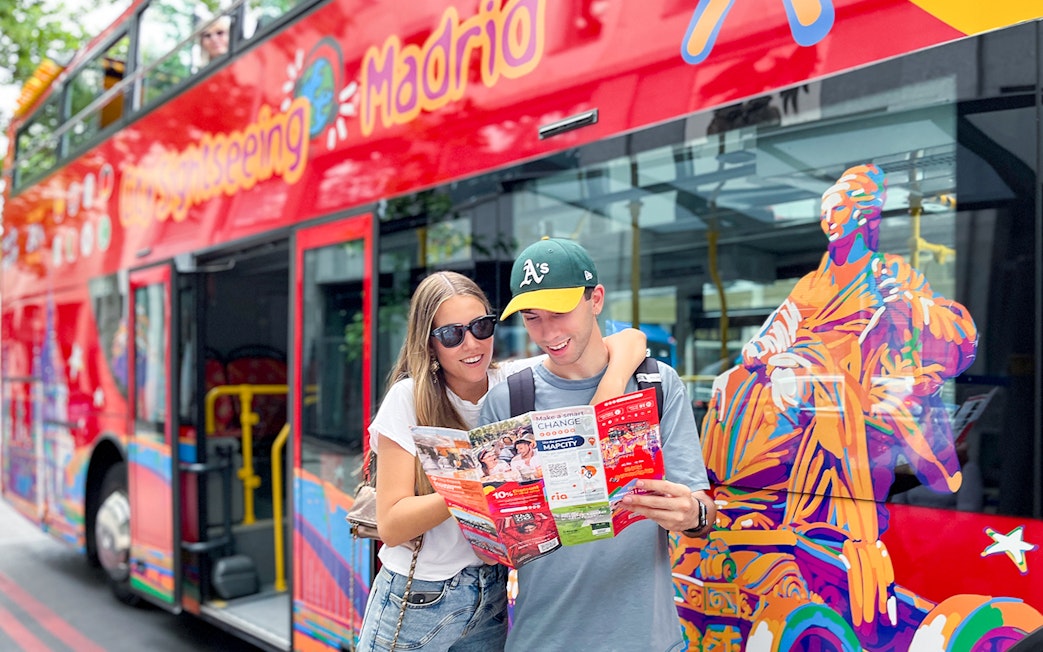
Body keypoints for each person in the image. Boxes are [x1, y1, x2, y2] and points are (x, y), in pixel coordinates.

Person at [356, 270, 648, 651]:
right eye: (451, 334)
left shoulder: (512, 380)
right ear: (429, 345)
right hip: (419, 597)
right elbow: (392, 525)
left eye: (481, 326)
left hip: (491, 591)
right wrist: (480, 483)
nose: (471, 343)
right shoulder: (408, 398)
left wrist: (606, 394)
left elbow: (631, 340)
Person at [480, 237, 716, 651]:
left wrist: (690, 513)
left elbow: (703, 510)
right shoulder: (507, 401)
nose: (548, 332)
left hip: (648, 640)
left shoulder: (656, 384)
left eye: (560, 311)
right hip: (543, 639)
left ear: (596, 299)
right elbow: (489, 547)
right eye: (533, 317)